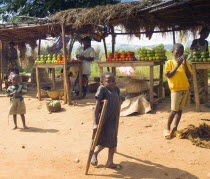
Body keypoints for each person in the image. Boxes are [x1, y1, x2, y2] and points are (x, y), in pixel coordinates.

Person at [91, 71, 121, 168]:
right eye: (109, 81)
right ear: (102, 82)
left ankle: (109, 162)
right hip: (103, 120)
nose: (112, 83)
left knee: (112, 140)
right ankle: (94, 153)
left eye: (113, 81)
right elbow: (97, 107)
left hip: (113, 119)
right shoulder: (102, 89)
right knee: (102, 140)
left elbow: (118, 100)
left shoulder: (116, 89)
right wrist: (95, 123)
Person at [164, 43, 193, 139]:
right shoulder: (169, 63)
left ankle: (175, 129)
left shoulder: (186, 63)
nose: (179, 55)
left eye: (181, 53)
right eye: (177, 52)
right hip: (175, 90)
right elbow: (169, 75)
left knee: (180, 111)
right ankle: (167, 128)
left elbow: (189, 76)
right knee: (173, 111)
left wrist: (184, 65)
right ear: (172, 52)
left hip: (184, 89)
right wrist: (177, 65)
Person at [190, 27, 209, 103]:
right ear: (201, 34)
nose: (206, 35)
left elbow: (207, 52)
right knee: (193, 80)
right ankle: (193, 96)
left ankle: (201, 97)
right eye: (205, 34)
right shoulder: (195, 41)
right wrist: (195, 47)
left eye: (207, 34)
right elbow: (191, 48)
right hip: (194, 62)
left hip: (202, 63)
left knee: (202, 81)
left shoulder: (206, 42)